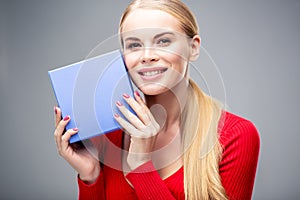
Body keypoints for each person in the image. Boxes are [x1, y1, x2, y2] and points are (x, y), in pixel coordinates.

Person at [53, 0, 260, 199]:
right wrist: (91, 176)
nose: (147, 55)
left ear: (193, 48)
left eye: (163, 41)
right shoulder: (109, 135)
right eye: (134, 45)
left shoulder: (234, 135)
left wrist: (141, 165)